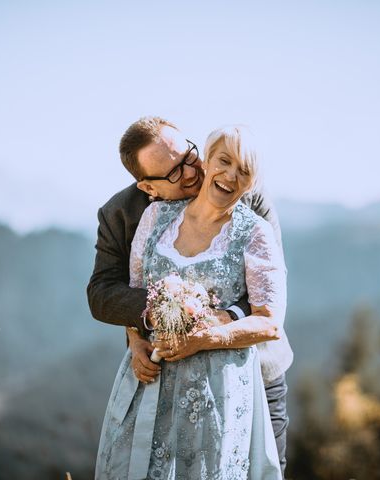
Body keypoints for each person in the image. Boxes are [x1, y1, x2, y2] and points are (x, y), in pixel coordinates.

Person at [87, 117, 292, 474]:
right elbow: (110, 292)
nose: (190, 173)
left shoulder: (248, 197)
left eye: (188, 155)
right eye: (172, 173)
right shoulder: (129, 214)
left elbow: (268, 294)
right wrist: (139, 332)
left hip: (253, 371)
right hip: (163, 375)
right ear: (148, 187)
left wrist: (206, 325)